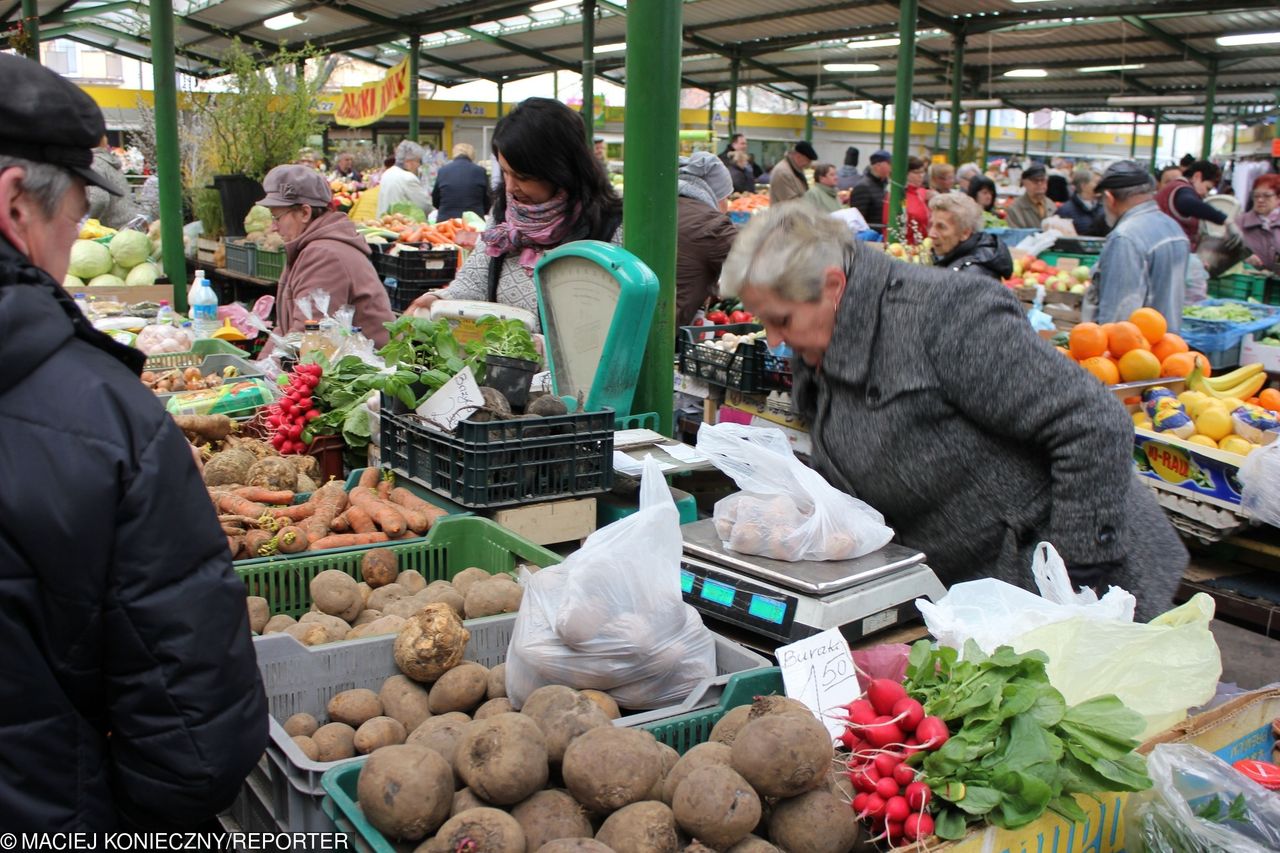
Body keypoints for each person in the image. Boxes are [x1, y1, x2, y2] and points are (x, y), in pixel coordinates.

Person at [0, 53, 267, 831]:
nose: (70, 246)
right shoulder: (103, 419)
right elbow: (198, 740)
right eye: (75, 221)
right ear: (16, 204)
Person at [717, 202, 1186, 622]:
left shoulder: (946, 315)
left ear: (834, 287)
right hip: (966, 590)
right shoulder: (820, 339)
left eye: (781, 321)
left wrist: (1079, 576)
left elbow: (1092, 425)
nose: (774, 340)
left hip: (1065, 579)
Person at [406, 98, 623, 327]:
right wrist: (439, 300)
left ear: (561, 170)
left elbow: (613, 325)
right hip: (507, 360)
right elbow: (475, 280)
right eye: (506, 173)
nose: (510, 187)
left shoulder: (608, 229)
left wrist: (549, 352)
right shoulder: (505, 214)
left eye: (523, 177)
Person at [259, 164, 394, 347]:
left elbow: (308, 335)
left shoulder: (324, 255)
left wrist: (263, 372)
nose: (273, 227)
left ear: (305, 213)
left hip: (365, 370)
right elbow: (287, 329)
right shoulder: (312, 246)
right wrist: (260, 368)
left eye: (277, 217)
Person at [1085, 161, 1190, 331]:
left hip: (1135, 353)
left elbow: (1118, 319)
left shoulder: (1125, 238)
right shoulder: (1174, 228)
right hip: (1169, 350)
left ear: (1110, 198)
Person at [675, 152, 738, 328]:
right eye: (727, 197)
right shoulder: (711, 223)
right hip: (660, 330)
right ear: (716, 195)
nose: (727, 205)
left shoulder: (658, 202)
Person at [927, 193, 1012, 281]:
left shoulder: (970, 275)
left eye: (941, 227)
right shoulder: (958, 261)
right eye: (931, 225)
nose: (931, 234)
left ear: (965, 233)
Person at [1156, 160, 1228, 251]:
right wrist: (1225, 220)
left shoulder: (1174, 188)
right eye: (1207, 188)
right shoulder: (1181, 189)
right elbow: (1187, 203)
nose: (1206, 194)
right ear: (1197, 176)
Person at [85, 138, 144, 228]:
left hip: (112, 231)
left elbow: (99, 199)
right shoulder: (108, 161)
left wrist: (81, 222)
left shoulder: (94, 164)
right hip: (126, 225)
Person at [431, 142, 492, 221]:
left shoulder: (443, 171)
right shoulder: (480, 171)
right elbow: (488, 199)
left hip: (446, 222)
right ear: (472, 154)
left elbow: (435, 199)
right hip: (474, 222)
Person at [376, 140, 433, 217]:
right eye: (418, 161)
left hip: (385, 222)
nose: (419, 165)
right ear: (408, 162)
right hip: (402, 224)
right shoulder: (408, 178)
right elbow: (425, 206)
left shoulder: (387, 173)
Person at [883, 155, 930, 245]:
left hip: (921, 246)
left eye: (923, 172)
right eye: (916, 172)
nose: (921, 176)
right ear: (905, 174)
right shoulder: (897, 196)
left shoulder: (920, 193)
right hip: (905, 248)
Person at [1239, 174, 1280, 274]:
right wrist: (1244, 257)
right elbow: (1224, 252)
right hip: (1249, 283)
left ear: (1278, 198)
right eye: (1256, 196)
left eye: (1267, 196)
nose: (1260, 200)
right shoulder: (1240, 223)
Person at [1056, 168, 1108, 238]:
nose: (1101, 186)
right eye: (1097, 183)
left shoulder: (1104, 208)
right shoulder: (1065, 211)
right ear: (1083, 186)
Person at [1005, 163, 1057, 229]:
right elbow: (1015, 235)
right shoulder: (1015, 208)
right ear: (1024, 183)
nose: (1040, 184)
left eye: (1043, 180)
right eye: (1035, 181)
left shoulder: (1051, 204)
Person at [850, 149, 891, 230]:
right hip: (873, 238)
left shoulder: (885, 184)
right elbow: (858, 220)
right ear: (878, 165)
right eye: (889, 163)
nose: (892, 166)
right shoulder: (862, 187)